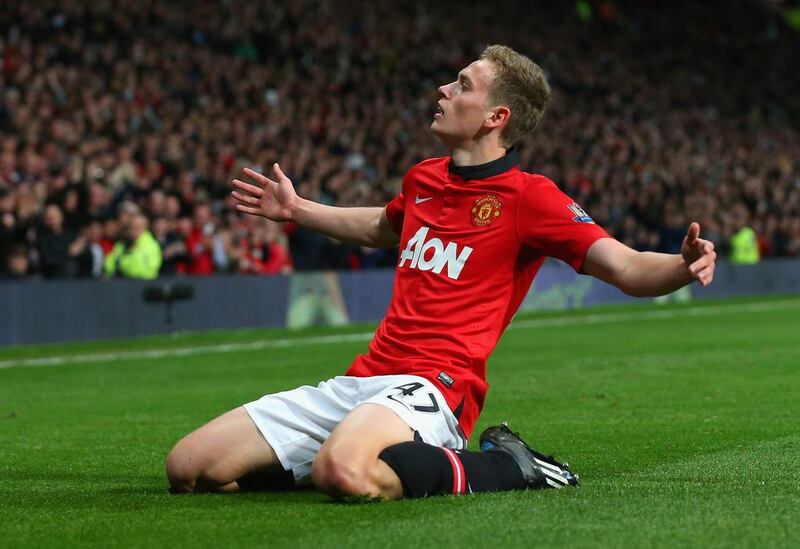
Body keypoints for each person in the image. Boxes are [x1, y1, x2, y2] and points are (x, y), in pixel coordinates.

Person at [166, 45, 716, 500]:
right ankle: (355, 451)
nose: (444, 91)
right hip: (366, 379)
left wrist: (681, 266)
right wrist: (300, 210)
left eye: (462, 85)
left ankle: (511, 467)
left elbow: (624, 266)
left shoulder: (530, 198)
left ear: (497, 117)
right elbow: (383, 227)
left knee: (346, 472)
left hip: (436, 387)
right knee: (190, 467)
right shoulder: (424, 180)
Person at [104, 213, 162, 279]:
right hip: (121, 284)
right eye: (131, 227)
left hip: (143, 286)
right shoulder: (121, 244)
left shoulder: (152, 246)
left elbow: (148, 272)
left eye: (137, 227)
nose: (133, 230)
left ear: (145, 228)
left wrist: (122, 264)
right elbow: (109, 266)